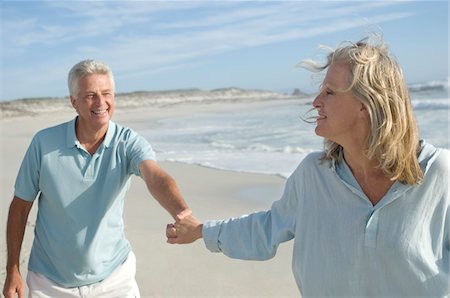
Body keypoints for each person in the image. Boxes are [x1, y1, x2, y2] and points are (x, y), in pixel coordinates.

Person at [166, 36, 450, 296]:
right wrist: (202, 231)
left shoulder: (440, 174)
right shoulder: (313, 175)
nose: (315, 102)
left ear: (367, 103)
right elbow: (266, 228)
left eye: (329, 92)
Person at [3, 59, 195, 298]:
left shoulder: (128, 142)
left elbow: (156, 177)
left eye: (106, 93)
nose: (101, 102)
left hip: (115, 279)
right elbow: (20, 208)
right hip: (49, 284)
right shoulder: (43, 144)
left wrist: (182, 214)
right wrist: (13, 269)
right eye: (90, 95)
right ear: (74, 102)